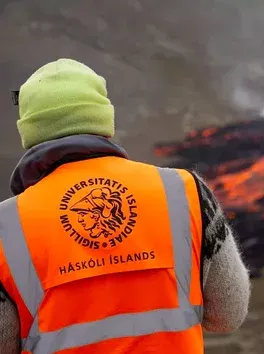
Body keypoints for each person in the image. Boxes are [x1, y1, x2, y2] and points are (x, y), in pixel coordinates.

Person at [0, 58, 251, 353]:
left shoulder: (7, 225)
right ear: (104, 121)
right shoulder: (185, 191)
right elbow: (228, 314)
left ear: (29, 132)